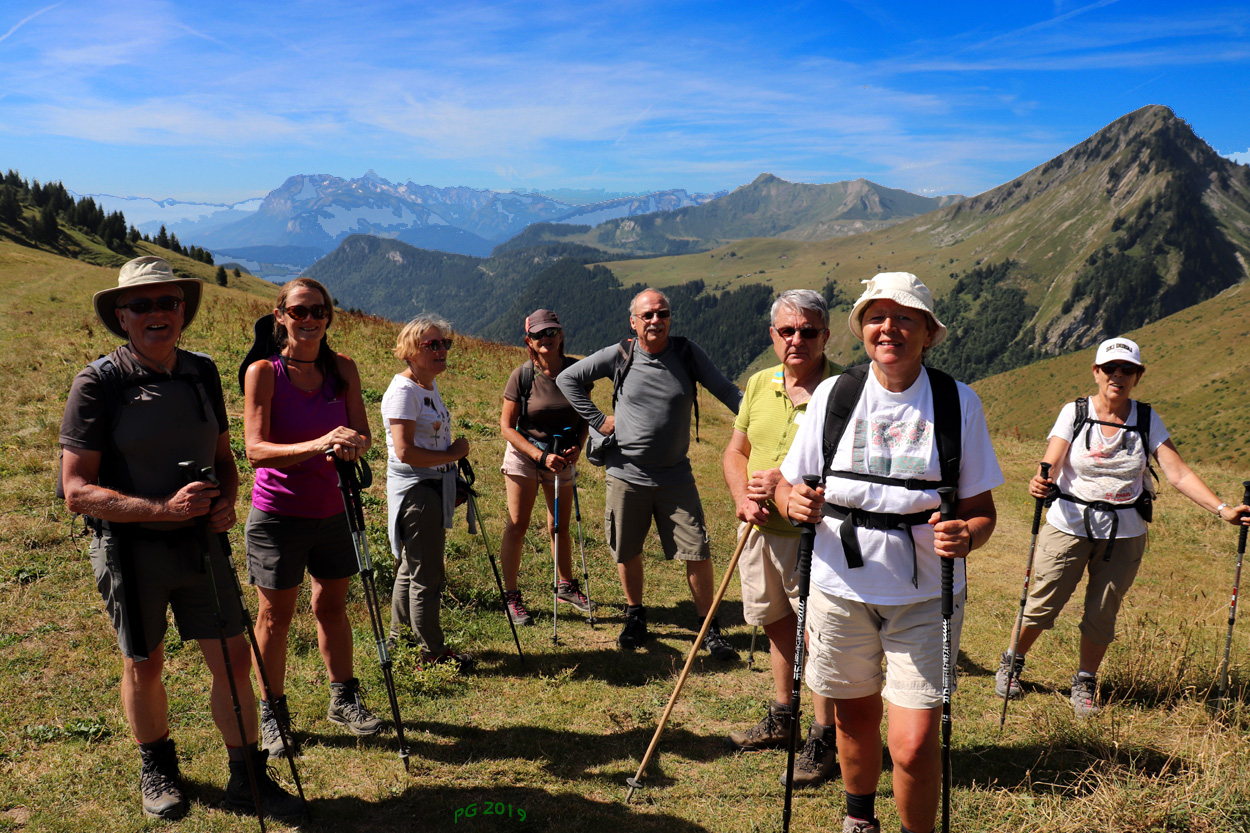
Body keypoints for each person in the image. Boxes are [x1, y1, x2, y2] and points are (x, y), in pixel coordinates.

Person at [59, 256, 302, 822]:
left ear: (183, 310)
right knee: (144, 664)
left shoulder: (201, 372)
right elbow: (75, 491)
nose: (157, 313)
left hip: (201, 546)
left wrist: (226, 501)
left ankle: (248, 776)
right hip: (129, 553)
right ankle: (158, 766)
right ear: (122, 316)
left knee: (234, 658)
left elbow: (223, 456)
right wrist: (161, 509)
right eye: (141, 305)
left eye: (168, 302)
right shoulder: (98, 384)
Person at [779, 272, 1002, 833]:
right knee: (854, 717)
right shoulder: (836, 395)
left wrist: (968, 535)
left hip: (927, 593)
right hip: (838, 586)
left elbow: (981, 510)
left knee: (914, 742)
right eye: (877, 316)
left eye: (906, 318)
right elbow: (789, 485)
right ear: (861, 328)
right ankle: (860, 820)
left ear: (928, 332)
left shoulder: (956, 402)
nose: (889, 328)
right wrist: (792, 504)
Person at [996, 336, 1250, 717]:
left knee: (1102, 612)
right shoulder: (1075, 411)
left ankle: (1084, 682)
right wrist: (1039, 479)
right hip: (1068, 524)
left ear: (1137, 376)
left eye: (1127, 369)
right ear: (1096, 372)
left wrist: (1223, 509)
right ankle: (1012, 662)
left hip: (1125, 532)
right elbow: (1052, 459)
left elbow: (1177, 472)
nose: (1118, 375)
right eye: (1110, 368)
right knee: (1043, 603)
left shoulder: (1146, 418)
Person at [241, 277, 383, 760]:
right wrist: (320, 444)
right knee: (274, 617)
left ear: (329, 316)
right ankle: (272, 713)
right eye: (299, 311)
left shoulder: (343, 369)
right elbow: (255, 450)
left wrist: (352, 444)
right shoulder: (264, 372)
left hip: (335, 509)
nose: (310, 319)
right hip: (279, 514)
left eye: (318, 310)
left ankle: (344, 698)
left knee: (333, 607)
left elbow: (363, 432)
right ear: (279, 315)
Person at [557, 288, 743, 656]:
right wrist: (597, 420)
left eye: (663, 313)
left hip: (676, 475)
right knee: (627, 548)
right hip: (626, 473)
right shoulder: (621, 354)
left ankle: (709, 629)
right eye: (648, 315)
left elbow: (725, 389)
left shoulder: (687, 353)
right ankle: (635, 616)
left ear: (669, 318)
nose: (656, 320)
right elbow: (568, 379)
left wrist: (763, 420)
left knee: (698, 550)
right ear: (634, 321)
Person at [722, 289, 839, 787]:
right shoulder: (758, 383)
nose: (797, 340)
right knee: (775, 622)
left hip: (818, 537)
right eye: (786, 331)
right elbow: (735, 452)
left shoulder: (843, 392)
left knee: (820, 637)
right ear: (772, 336)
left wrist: (787, 486)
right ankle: (784, 716)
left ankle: (824, 736)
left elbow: (858, 477)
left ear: (825, 336)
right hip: (759, 529)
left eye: (807, 331)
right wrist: (741, 498)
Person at [381, 313, 474, 670]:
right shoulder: (403, 391)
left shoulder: (426, 386)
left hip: (430, 486)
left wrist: (449, 469)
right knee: (427, 575)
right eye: (432, 344)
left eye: (445, 343)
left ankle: (401, 642)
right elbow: (404, 451)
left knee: (411, 568)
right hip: (417, 491)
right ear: (409, 350)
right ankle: (432, 651)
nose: (442, 350)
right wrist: (452, 455)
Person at [498, 309, 593, 625]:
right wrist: (539, 457)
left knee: (560, 527)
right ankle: (511, 597)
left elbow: (585, 417)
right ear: (529, 340)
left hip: (561, 460)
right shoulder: (522, 376)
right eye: (539, 334)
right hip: (525, 459)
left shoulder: (578, 372)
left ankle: (566, 585)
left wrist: (578, 446)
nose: (546, 339)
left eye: (551, 332)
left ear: (561, 334)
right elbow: (507, 427)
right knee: (518, 525)